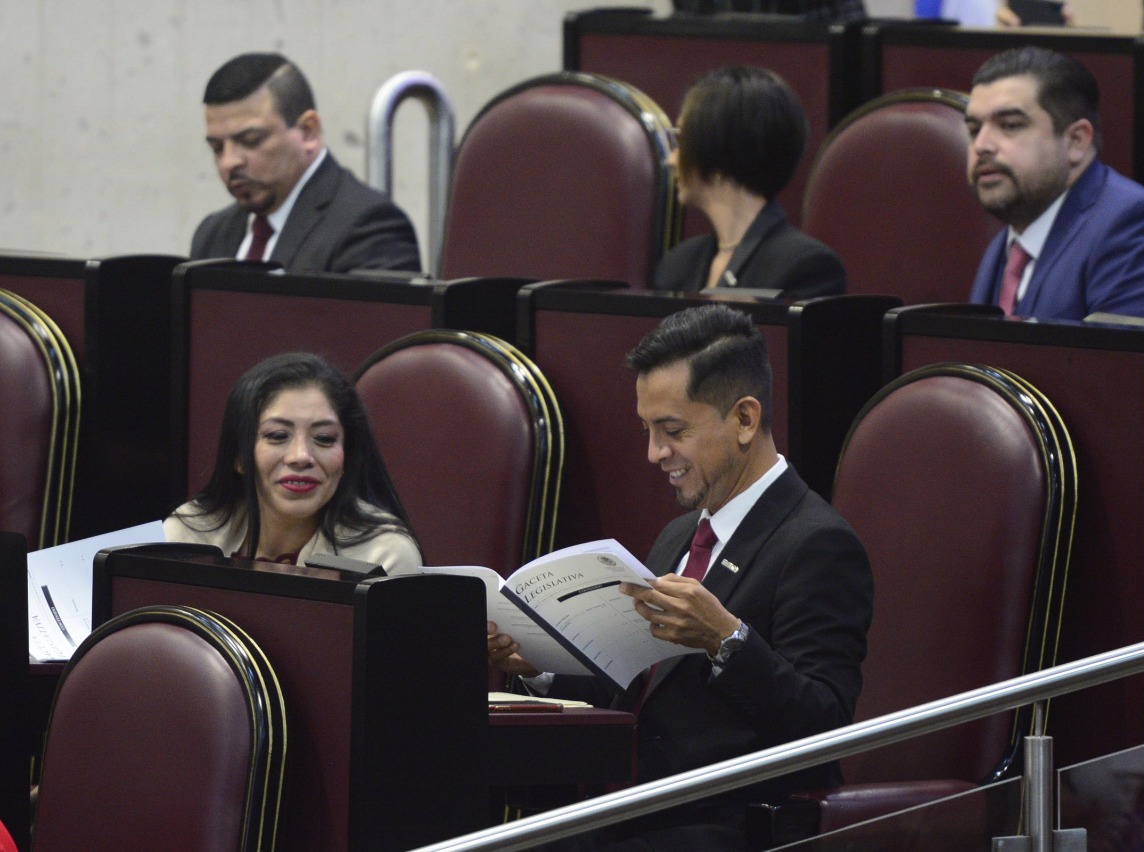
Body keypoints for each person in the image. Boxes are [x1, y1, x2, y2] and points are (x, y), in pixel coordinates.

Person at [490, 305, 873, 848]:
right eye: (647, 430)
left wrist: (727, 640)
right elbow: (644, 687)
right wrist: (543, 666)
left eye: (672, 431)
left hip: (724, 825)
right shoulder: (677, 537)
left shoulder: (817, 543)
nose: (654, 454)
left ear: (743, 419)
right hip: (627, 810)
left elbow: (825, 726)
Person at [964, 47, 1144, 325]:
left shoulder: (1139, 232)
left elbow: (1124, 365)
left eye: (1011, 125)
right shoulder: (1008, 242)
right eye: (974, 129)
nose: (982, 146)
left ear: (1076, 141)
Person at [165, 352, 421, 574]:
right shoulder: (185, 531)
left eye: (323, 438)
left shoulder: (387, 555)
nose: (301, 457)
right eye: (277, 436)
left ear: (347, 457)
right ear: (239, 457)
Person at [191, 53, 421, 274]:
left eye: (250, 141)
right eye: (217, 148)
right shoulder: (212, 234)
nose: (228, 162)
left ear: (308, 131)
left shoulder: (369, 228)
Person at [651, 66, 847, 299]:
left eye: (682, 140)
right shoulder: (677, 264)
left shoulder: (808, 267)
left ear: (717, 146)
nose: (671, 159)